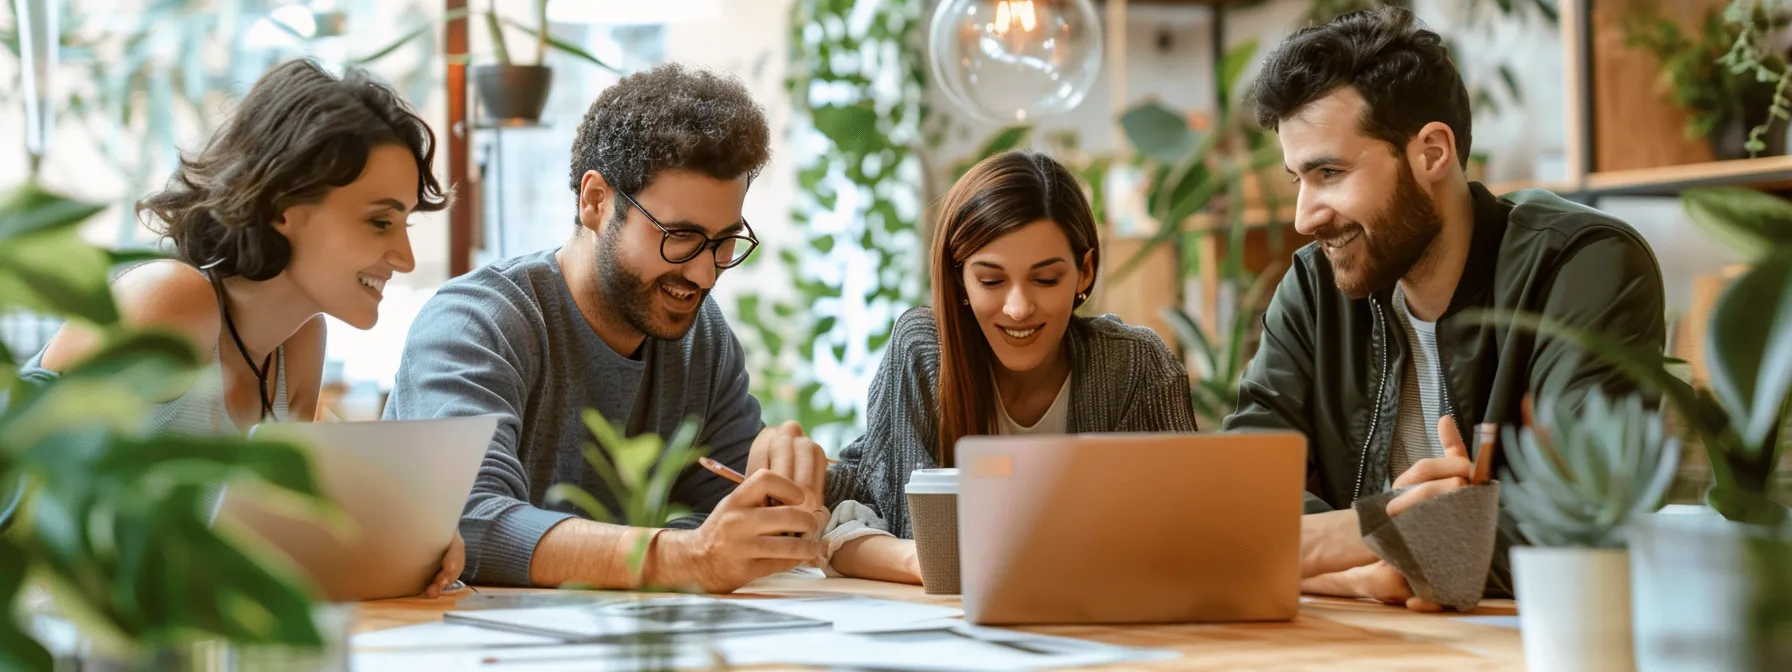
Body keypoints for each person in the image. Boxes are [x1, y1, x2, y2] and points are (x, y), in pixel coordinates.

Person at [1229, 7, 1666, 610]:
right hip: (1358, 637)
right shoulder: (1313, 289)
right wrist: (1371, 541)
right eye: (1296, 180)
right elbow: (1242, 495)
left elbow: (1583, 515)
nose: (1305, 217)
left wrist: (1326, 550)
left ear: (1432, 152)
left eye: (1328, 172)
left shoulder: (1579, 265)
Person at [20, 59, 468, 597]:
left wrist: (413, 539)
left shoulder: (300, 343)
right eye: (379, 221)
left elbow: (281, 537)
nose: (405, 257)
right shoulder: (174, 301)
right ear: (284, 206)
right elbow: (38, 504)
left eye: (405, 223)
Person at [383, 63, 828, 594]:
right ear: (595, 202)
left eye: (723, 241)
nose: (705, 272)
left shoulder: (701, 339)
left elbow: (716, 527)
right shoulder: (479, 324)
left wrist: (775, 496)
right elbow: (465, 519)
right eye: (680, 236)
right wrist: (681, 557)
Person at [819, 150, 1199, 584]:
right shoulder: (924, 352)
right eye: (991, 281)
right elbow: (894, 519)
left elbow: (1187, 528)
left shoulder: (1133, 364)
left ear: (1085, 272)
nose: (1018, 309)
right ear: (958, 278)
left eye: (1045, 279)